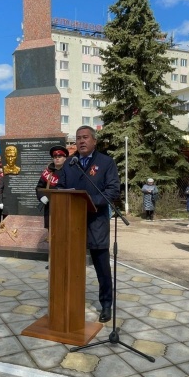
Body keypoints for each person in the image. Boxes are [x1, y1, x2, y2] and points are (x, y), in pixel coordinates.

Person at [57, 126, 120, 323]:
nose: (81, 141)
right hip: (72, 223)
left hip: (96, 222)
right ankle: (69, 301)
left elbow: (112, 191)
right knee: (70, 265)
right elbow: (59, 187)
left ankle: (107, 304)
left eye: (85, 138)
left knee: (102, 267)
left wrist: (89, 201)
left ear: (94, 141)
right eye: (78, 138)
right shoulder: (69, 163)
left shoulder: (105, 162)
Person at [37, 146, 68, 229]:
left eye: (60, 157)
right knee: (51, 233)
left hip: (65, 207)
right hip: (50, 208)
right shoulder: (48, 172)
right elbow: (39, 187)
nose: (57, 159)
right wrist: (41, 196)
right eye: (55, 157)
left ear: (65, 158)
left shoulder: (70, 172)